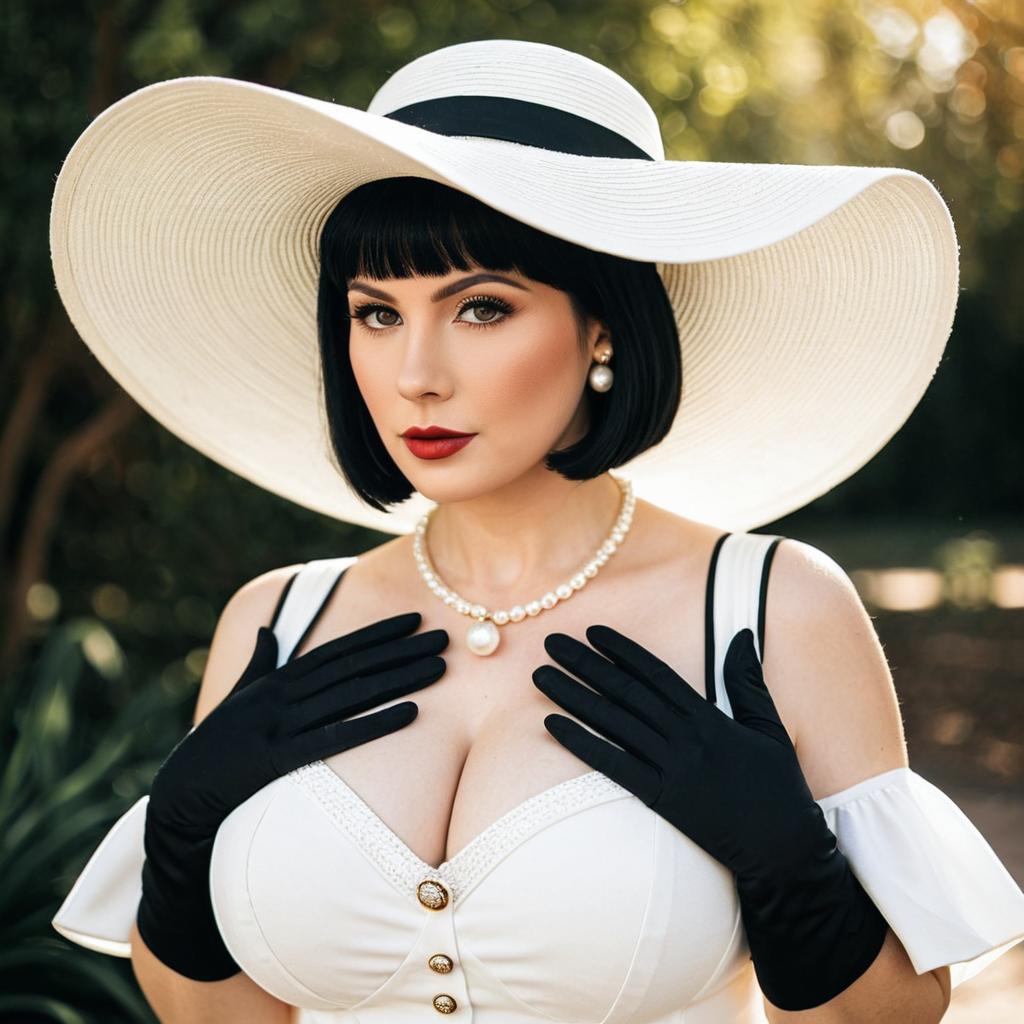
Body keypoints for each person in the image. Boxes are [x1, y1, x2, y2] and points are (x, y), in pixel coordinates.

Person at [48, 38, 1024, 1024]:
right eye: (376, 314)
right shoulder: (279, 619)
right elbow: (220, 1019)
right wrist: (177, 849)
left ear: (603, 325)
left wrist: (790, 871)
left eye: (480, 307)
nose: (415, 373)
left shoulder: (773, 610)